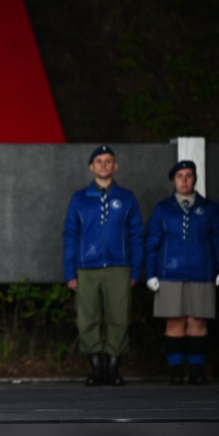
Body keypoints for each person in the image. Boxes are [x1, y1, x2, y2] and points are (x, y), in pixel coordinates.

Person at [63, 145, 143, 386]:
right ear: (91, 166)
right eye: (99, 161)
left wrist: (135, 269)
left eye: (108, 161)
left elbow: (136, 234)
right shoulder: (80, 198)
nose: (104, 165)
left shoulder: (126, 198)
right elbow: (70, 235)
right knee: (88, 318)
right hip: (87, 267)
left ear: (115, 165)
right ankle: (96, 367)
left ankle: (113, 367)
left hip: (119, 266)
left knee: (118, 317)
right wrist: (70, 271)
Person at [145, 160, 219, 385]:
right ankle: (175, 371)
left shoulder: (208, 208)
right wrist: (150, 273)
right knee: (174, 322)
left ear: (195, 179)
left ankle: (197, 370)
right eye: (179, 176)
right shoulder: (163, 208)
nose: (184, 180)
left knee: (198, 322)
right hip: (170, 273)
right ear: (173, 180)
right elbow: (152, 241)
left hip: (202, 272)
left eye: (188, 175)